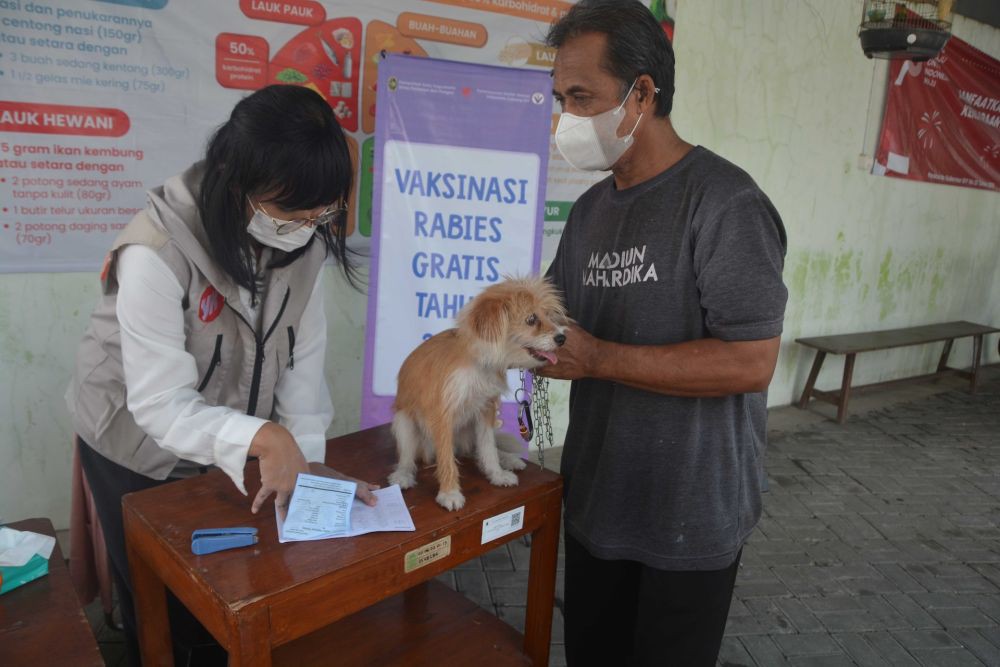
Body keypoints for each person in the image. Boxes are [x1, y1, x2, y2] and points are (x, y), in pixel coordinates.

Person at [66, 84, 379, 665]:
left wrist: (304, 463)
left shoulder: (305, 240)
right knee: (163, 601)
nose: (308, 228)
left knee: (230, 590)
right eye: (291, 212)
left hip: (228, 434)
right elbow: (158, 405)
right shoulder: (156, 252)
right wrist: (264, 438)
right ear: (237, 184)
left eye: (323, 212)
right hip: (130, 440)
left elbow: (301, 369)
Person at [539, 2, 788, 665]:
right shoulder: (590, 210)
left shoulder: (724, 202)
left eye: (581, 96)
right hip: (597, 502)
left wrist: (598, 359)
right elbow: (549, 319)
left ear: (642, 93)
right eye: (561, 98)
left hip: (689, 518)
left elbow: (751, 362)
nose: (566, 117)